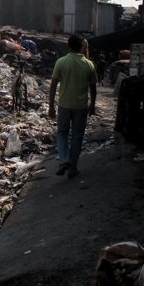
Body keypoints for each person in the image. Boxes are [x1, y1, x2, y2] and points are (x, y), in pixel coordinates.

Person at [48, 34, 97, 178]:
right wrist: (92, 104)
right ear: (82, 46)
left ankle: (64, 160)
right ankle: (72, 168)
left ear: (68, 46)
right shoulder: (89, 64)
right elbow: (93, 88)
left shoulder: (61, 62)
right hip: (81, 107)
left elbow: (53, 86)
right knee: (77, 137)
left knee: (62, 133)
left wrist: (51, 106)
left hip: (64, 105)